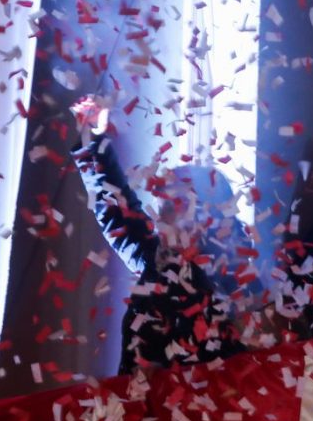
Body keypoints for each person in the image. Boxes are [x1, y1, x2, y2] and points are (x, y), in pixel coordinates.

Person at [68, 96, 261, 373]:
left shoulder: (238, 284)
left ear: (204, 215)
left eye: (171, 207)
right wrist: (93, 137)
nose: (160, 219)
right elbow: (118, 211)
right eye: (161, 206)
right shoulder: (159, 261)